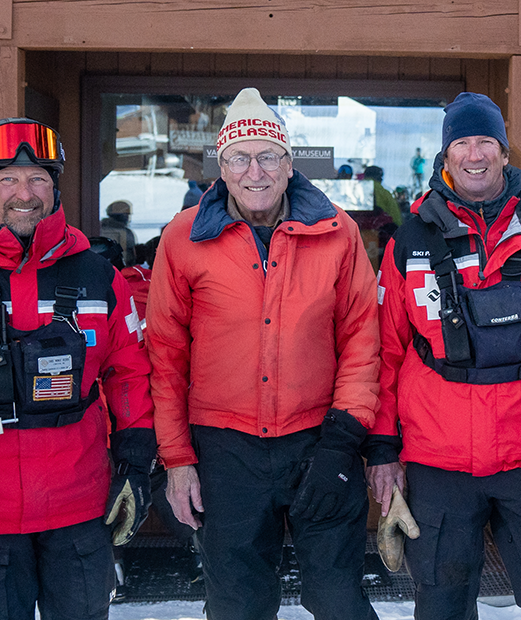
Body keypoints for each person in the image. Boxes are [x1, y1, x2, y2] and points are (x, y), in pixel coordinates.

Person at [145, 87, 382, 620]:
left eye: (269, 156)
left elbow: (363, 340)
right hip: (225, 452)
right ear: (222, 168)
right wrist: (179, 460)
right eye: (240, 158)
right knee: (237, 605)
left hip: (317, 441)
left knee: (340, 599)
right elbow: (164, 356)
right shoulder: (183, 238)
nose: (256, 171)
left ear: (289, 164)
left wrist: (342, 443)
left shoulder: (337, 231)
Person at [371, 92, 521, 620]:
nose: (474, 154)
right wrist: (384, 457)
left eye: (485, 142)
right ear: (445, 155)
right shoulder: (410, 242)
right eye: (461, 143)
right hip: (437, 459)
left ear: (504, 152)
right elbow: (385, 352)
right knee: (442, 605)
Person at [0, 118, 156, 620]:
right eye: (7, 179)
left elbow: (129, 373)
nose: (24, 193)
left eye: (38, 180)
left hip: (79, 505)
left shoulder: (98, 276)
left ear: (55, 190)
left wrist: (136, 464)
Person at [101, 200, 139, 265]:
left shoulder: (100, 228)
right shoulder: (126, 233)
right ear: (117, 215)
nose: (127, 217)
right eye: (125, 214)